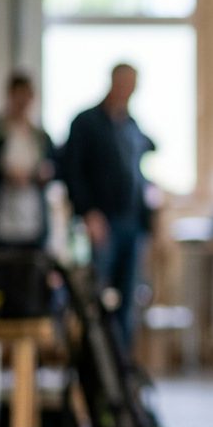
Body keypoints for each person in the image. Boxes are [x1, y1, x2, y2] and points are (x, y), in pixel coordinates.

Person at [60, 63, 154, 354]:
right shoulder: (86, 122)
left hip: (132, 223)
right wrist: (88, 212)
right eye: (124, 82)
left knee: (128, 300)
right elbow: (71, 171)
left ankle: (121, 372)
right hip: (102, 222)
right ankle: (96, 368)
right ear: (113, 82)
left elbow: (137, 172)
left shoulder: (131, 125)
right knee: (96, 301)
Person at [0, 72, 57, 251]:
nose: (22, 102)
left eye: (26, 96)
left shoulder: (40, 136)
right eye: (18, 96)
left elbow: (56, 168)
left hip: (33, 224)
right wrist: (3, 173)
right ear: (9, 95)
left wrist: (42, 174)